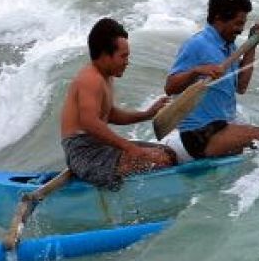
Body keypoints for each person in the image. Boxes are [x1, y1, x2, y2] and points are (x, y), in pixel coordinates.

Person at [165, 0, 259, 158]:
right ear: (219, 18)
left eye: (243, 24)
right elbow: (170, 87)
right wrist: (197, 70)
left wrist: (251, 45)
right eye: (237, 23)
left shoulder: (230, 47)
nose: (240, 29)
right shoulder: (198, 44)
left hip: (223, 128)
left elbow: (241, 87)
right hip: (200, 135)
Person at [60, 17, 176, 189]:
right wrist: (130, 148)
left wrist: (147, 114)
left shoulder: (105, 77)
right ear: (105, 55)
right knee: (159, 161)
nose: (127, 62)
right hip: (83, 152)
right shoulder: (90, 79)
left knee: (168, 154)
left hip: (99, 146)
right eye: (123, 56)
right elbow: (89, 123)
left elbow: (109, 114)